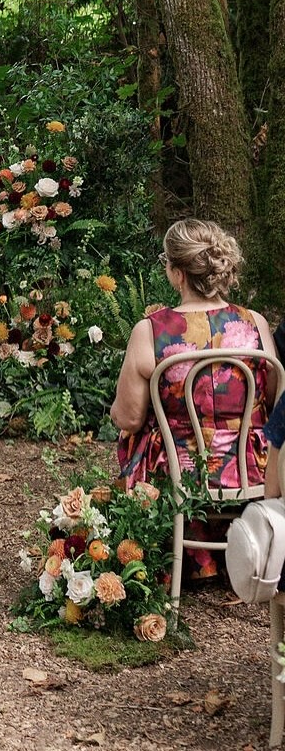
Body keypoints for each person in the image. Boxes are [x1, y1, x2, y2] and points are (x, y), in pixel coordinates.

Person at [112, 218, 277, 579]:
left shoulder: (150, 331)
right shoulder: (255, 324)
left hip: (179, 471)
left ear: (177, 274)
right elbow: (276, 403)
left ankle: (168, 549)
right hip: (250, 468)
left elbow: (129, 418)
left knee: (134, 432)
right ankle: (248, 548)